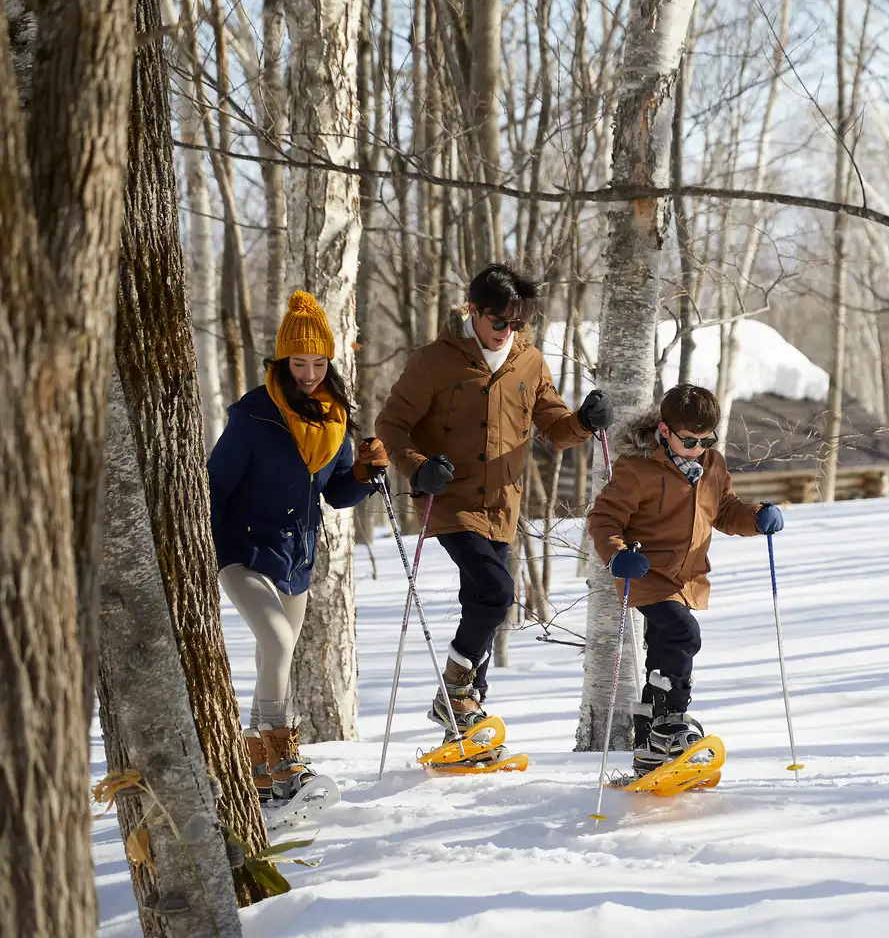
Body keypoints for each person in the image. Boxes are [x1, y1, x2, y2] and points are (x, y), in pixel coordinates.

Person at [377, 264, 613, 742]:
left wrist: (585, 421)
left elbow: (556, 428)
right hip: (451, 501)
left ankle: (466, 718)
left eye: (519, 322)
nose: (509, 331)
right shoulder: (435, 361)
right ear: (473, 311)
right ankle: (454, 694)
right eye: (500, 321)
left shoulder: (530, 363)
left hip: (503, 506)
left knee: (478, 603)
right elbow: (391, 425)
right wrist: (417, 465)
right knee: (496, 593)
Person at [208, 290, 389, 805]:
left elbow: (336, 494)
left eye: (317, 362)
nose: (308, 373)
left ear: (329, 362)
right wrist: (203, 551)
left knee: (276, 654)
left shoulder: (334, 419)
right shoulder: (254, 416)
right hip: (242, 550)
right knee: (280, 642)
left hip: (296, 557)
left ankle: (252, 763)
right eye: (298, 362)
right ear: (282, 361)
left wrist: (365, 473)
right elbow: (215, 485)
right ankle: (282, 755)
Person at [586, 383, 784, 776]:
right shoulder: (637, 469)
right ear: (664, 431)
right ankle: (670, 721)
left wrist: (757, 516)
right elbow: (603, 518)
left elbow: (724, 511)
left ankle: (649, 740)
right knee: (683, 635)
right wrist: (616, 554)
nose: (698, 448)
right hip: (644, 572)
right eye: (689, 440)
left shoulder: (712, 466)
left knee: (664, 651)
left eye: (706, 439)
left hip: (687, 577)